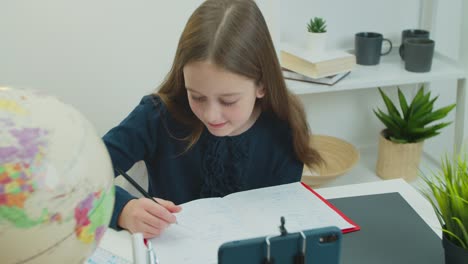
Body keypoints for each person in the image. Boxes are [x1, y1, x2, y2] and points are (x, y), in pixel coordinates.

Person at [103, 0, 322, 239]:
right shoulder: (155, 116)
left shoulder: (283, 129)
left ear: (261, 85)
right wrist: (124, 209)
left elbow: (281, 219)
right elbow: (76, 180)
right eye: (196, 97)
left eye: (228, 101)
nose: (210, 115)